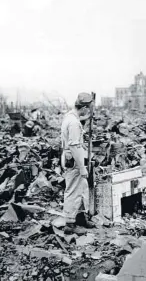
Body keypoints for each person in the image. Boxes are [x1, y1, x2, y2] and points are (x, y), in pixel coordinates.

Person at [61, 93, 94, 230]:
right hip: (74, 161)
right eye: (88, 108)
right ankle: (69, 223)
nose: (88, 111)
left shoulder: (70, 116)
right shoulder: (74, 123)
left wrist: (87, 118)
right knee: (73, 190)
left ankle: (80, 217)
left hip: (72, 158)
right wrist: (82, 167)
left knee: (82, 188)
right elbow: (74, 146)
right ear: (85, 107)